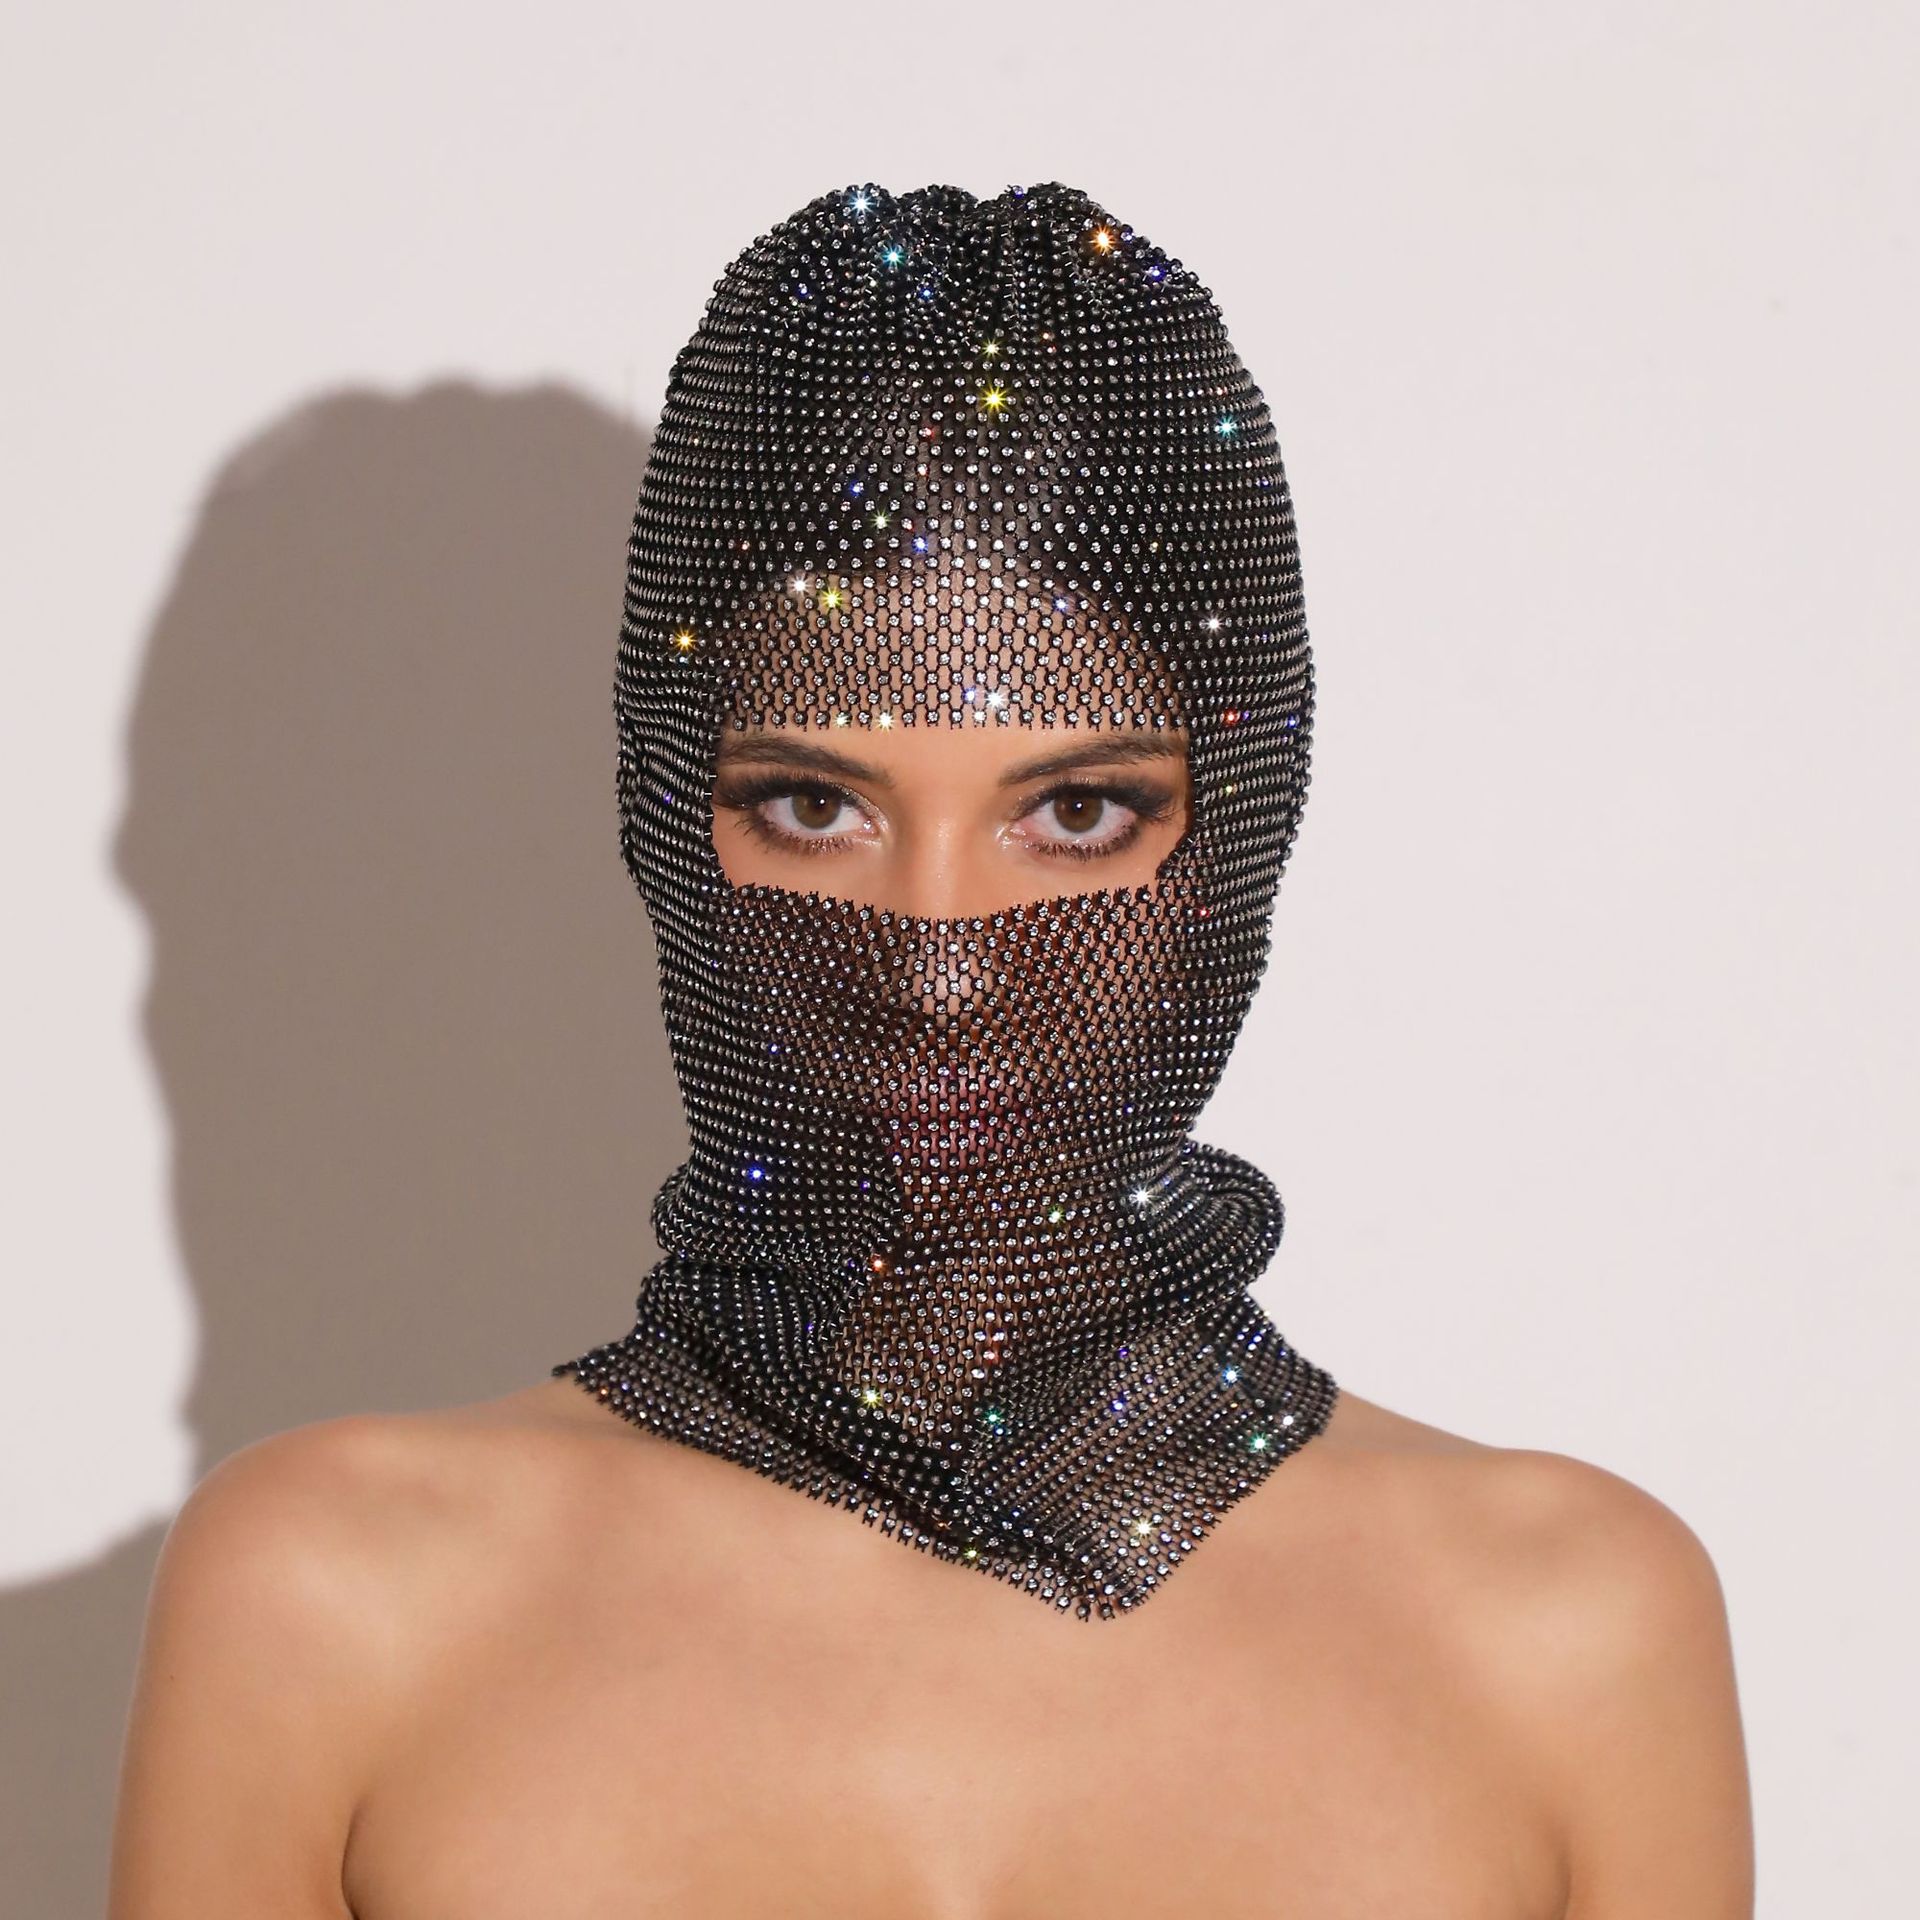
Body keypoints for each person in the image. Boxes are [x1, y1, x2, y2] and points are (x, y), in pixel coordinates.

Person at [108, 183, 1754, 1917]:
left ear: (1237, 832)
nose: (943, 966)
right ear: (670, 823)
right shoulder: (334, 1601)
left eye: (1076, 812)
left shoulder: (1564, 1631)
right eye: (816, 806)